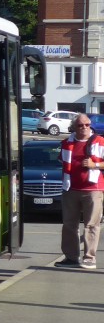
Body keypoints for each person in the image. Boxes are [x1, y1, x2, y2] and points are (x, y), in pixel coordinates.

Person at [58, 112, 104, 268]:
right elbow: (63, 163)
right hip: (70, 189)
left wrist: (94, 165)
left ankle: (89, 257)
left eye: (87, 125)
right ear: (74, 127)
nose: (84, 127)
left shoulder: (100, 141)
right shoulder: (66, 143)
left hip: (93, 189)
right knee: (69, 224)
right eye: (80, 125)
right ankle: (71, 257)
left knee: (91, 224)